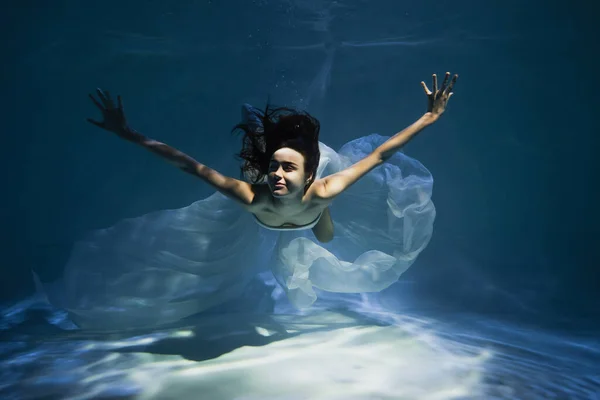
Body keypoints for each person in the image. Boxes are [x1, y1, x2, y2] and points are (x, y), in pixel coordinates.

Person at [50, 72, 457, 329]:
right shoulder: (252, 191)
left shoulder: (324, 189)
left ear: (310, 177)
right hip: (270, 209)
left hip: (311, 205)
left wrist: (428, 117)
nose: (277, 176)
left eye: (287, 170)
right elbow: (189, 166)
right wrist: (130, 134)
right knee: (257, 155)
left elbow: (380, 156)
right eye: (276, 169)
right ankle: (260, 133)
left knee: (327, 237)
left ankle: (282, 146)